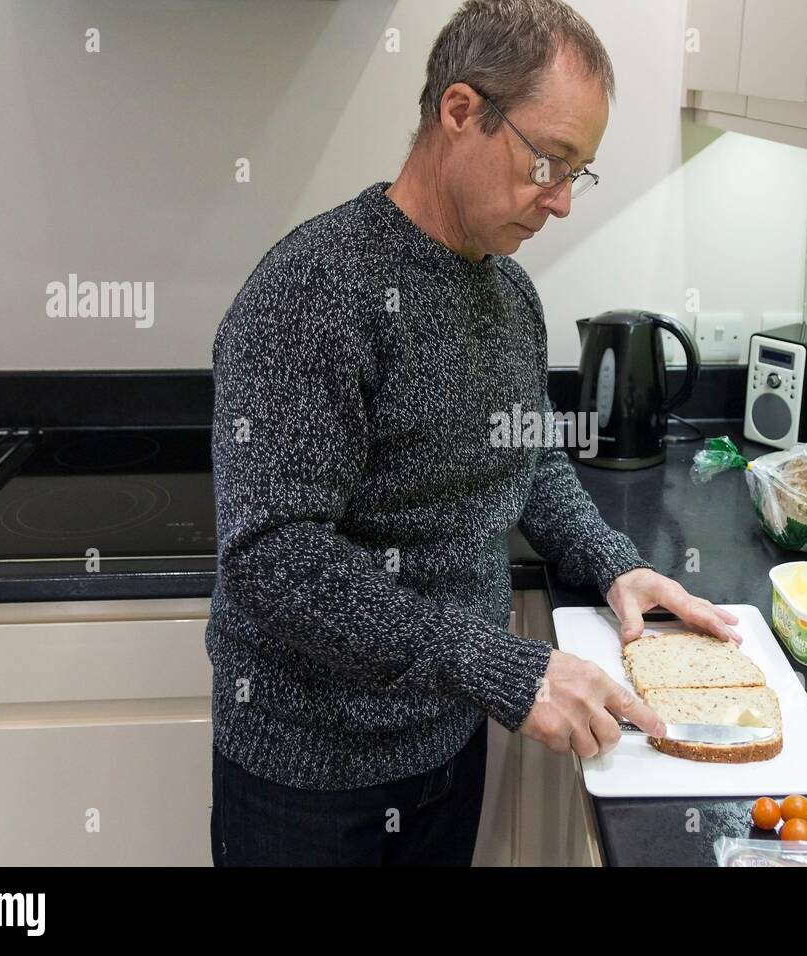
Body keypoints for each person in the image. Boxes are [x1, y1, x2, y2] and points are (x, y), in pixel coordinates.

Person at [206, 0, 740, 867]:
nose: (563, 202)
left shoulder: (507, 292)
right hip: (309, 778)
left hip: (449, 742)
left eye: (581, 172)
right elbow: (274, 559)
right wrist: (498, 667)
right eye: (549, 161)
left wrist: (613, 564)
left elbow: (525, 458)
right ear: (461, 112)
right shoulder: (310, 292)